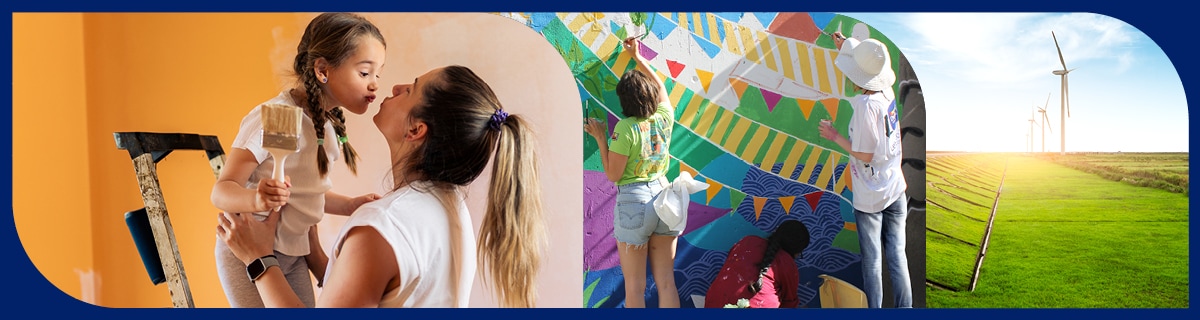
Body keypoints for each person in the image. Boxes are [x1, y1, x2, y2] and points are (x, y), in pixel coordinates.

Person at [218, 65, 547, 308]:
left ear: (416, 129)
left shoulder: (382, 227)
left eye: (411, 89)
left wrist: (259, 259)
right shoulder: (448, 208)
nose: (394, 86)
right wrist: (318, 257)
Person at [210, 12, 385, 308]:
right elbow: (221, 191)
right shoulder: (276, 117)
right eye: (365, 73)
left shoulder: (325, 127)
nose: (375, 85)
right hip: (246, 251)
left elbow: (305, 193)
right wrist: (256, 200)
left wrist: (348, 205)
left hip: (294, 252)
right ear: (322, 70)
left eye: (378, 74)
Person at [584, 37, 679, 308]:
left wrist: (601, 138)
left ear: (624, 102)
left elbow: (614, 175)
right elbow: (661, 87)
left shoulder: (625, 128)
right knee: (666, 283)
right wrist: (639, 58)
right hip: (665, 198)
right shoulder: (664, 117)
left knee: (634, 288)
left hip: (634, 203)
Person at [819, 31, 911, 308]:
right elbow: (868, 63)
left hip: (871, 196)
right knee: (897, 256)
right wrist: (847, 45)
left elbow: (865, 153)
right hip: (896, 189)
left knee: (872, 263)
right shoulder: (886, 91)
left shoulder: (865, 107)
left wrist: (834, 136)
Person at [704, 220, 810, 308]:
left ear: (776, 231)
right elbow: (789, 304)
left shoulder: (747, 241)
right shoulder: (788, 264)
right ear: (796, 251)